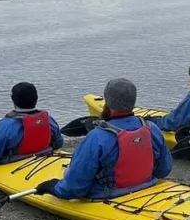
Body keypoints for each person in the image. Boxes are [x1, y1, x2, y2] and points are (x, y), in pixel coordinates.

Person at [33, 78, 172, 199]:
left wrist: (54, 188)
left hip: (107, 194)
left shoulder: (97, 137)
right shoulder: (151, 128)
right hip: (147, 184)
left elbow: (74, 188)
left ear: (108, 102)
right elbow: (164, 170)